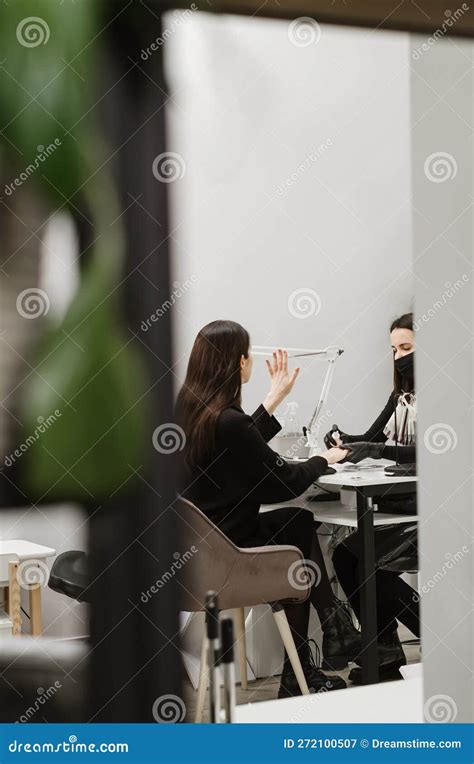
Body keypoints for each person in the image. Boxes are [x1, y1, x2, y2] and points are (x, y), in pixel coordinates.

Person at [176, 320, 361, 698]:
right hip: (229, 554)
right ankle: (323, 642)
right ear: (239, 362)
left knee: (294, 523)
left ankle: (319, 648)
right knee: (296, 524)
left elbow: (240, 445)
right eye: (248, 354)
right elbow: (284, 482)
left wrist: (271, 401)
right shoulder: (229, 422)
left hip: (202, 550)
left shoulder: (189, 412)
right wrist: (325, 459)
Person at [325, 312, 419, 683]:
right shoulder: (400, 394)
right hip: (398, 505)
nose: (398, 357)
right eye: (394, 349)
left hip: (433, 513)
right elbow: (373, 437)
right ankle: (385, 652)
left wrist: (374, 450)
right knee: (348, 555)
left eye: (407, 348)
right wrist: (343, 442)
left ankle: (423, 633)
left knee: (361, 557)